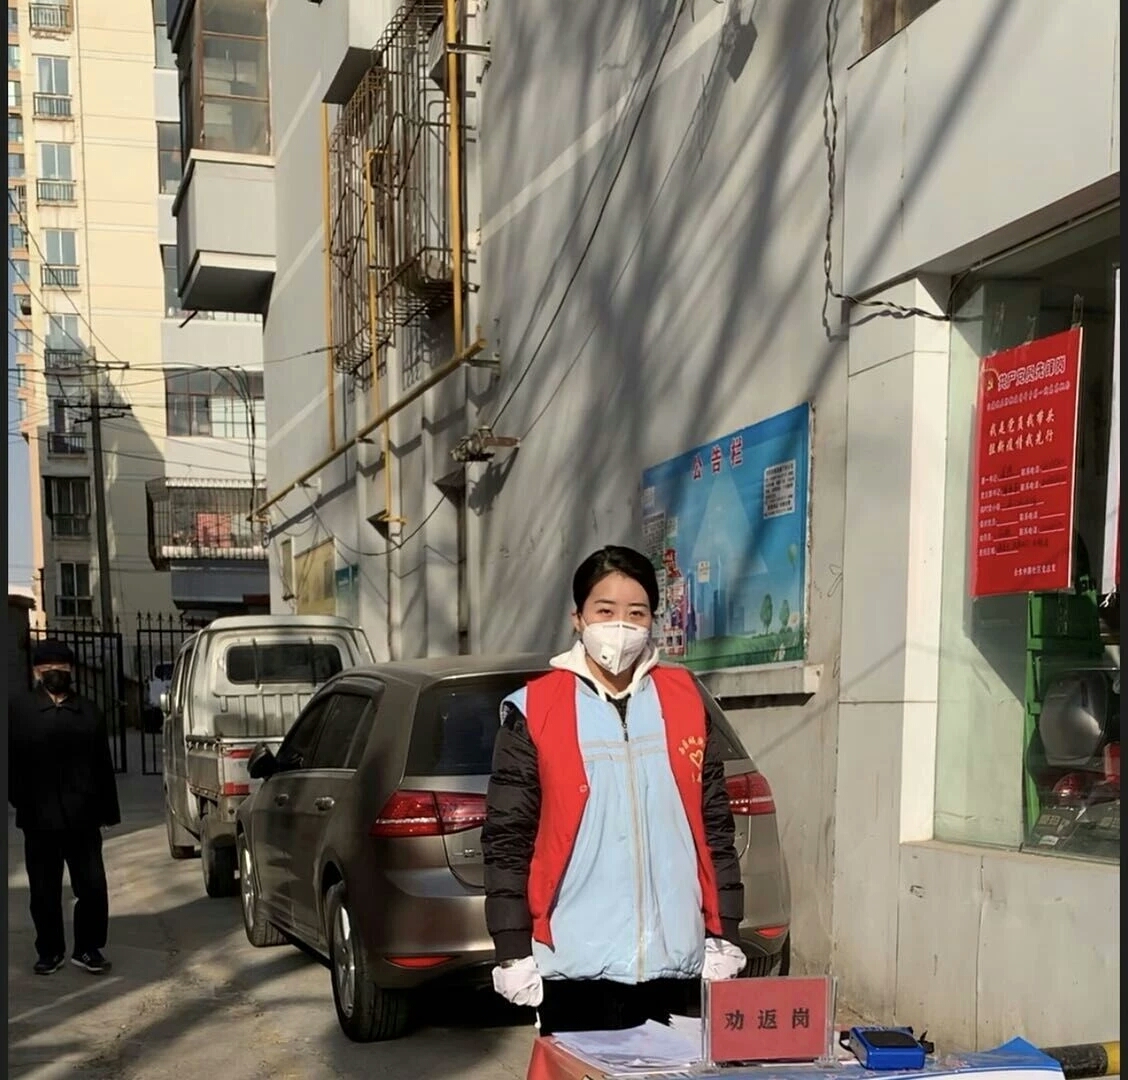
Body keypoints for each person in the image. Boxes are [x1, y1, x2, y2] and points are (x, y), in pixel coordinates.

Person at [482, 545, 747, 1035]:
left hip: (679, 962)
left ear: (652, 622)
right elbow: (507, 842)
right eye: (605, 611)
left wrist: (723, 931)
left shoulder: (685, 700)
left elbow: (714, 829)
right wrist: (512, 949)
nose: (621, 626)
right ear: (578, 618)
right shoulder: (535, 710)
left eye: (636, 613)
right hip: (575, 967)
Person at [8, 639, 120, 975]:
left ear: (71, 671)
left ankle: (88, 948)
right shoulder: (20, 711)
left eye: (62, 667)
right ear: (37, 672)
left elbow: (102, 763)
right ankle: (49, 950)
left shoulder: (88, 711)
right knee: (44, 891)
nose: (55, 673)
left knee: (93, 887)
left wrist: (108, 811)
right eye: (48, 668)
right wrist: (20, 799)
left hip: (82, 817)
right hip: (39, 819)